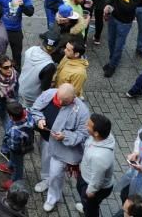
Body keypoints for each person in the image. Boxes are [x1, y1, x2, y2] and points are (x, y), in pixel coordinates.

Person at [29, 83, 91, 213]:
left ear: (74, 97)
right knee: (45, 162)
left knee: (56, 174)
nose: (61, 102)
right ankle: (46, 180)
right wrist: (39, 119)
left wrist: (65, 136)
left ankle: (52, 197)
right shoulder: (50, 93)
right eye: (59, 98)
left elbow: (83, 134)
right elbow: (35, 109)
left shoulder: (82, 111)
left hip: (63, 150)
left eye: (65, 101)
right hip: (46, 139)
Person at [75, 113, 116, 217]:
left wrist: (91, 191)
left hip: (93, 186)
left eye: (88, 125)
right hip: (87, 177)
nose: (85, 125)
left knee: (91, 208)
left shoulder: (99, 157)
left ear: (97, 133)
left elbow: (98, 178)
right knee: (86, 201)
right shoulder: (105, 137)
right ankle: (86, 206)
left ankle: (87, 209)